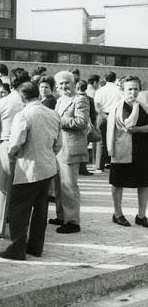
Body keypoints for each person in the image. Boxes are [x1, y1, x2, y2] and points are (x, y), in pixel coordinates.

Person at [0, 82, 62, 260]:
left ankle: (17, 248)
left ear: (22, 96)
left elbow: (16, 142)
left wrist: (12, 154)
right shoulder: (53, 114)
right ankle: (35, 247)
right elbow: (59, 144)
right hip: (48, 167)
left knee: (18, 209)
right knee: (40, 210)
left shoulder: (24, 115)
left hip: (28, 169)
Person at [0, 68, 30, 239]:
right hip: (26, 147)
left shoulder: (2, 103)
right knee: (22, 189)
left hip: (6, 143)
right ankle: (19, 226)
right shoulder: (28, 103)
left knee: (2, 189)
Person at [50, 71, 89, 234]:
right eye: (60, 84)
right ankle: (61, 216)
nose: (64, 86)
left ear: (74, 83)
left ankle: (73, 221)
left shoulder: (80, 99)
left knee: (69, 185)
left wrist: (59, 119)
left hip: (71, 149)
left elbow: (81, 122)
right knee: (59, 185)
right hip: (59, 148)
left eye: (67, 83)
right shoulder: (60, 100)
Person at [107, 76, 148, 228]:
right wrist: (141, 128)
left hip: (142, 150)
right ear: (123, 90)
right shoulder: (118, 107)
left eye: (136, 88)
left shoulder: (143, 106)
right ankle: (117, 214)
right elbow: (128, 125)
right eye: (129, 89)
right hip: (122, 150)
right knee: (118, 183)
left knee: (144, 183)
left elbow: (135, 128)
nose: (133, 92)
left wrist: (139, 129)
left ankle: (141, 215)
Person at [94, 71, 123, 172]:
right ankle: (113, 164)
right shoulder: (119, 91)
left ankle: (99, 166)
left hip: (102, 116)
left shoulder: (99, 91)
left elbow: (97, 107)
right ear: (115, 79)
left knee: (101, 142)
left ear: (105, 79)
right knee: (114, 140)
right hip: (115, 116)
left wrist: (104, 116)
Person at [77, 79, 97, 176]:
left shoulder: (73, 98)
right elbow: (93, 115)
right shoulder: (89, 99)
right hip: (86, 126)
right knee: (84, 148)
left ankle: (77, 167)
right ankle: (82, 168)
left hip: (76, 126)